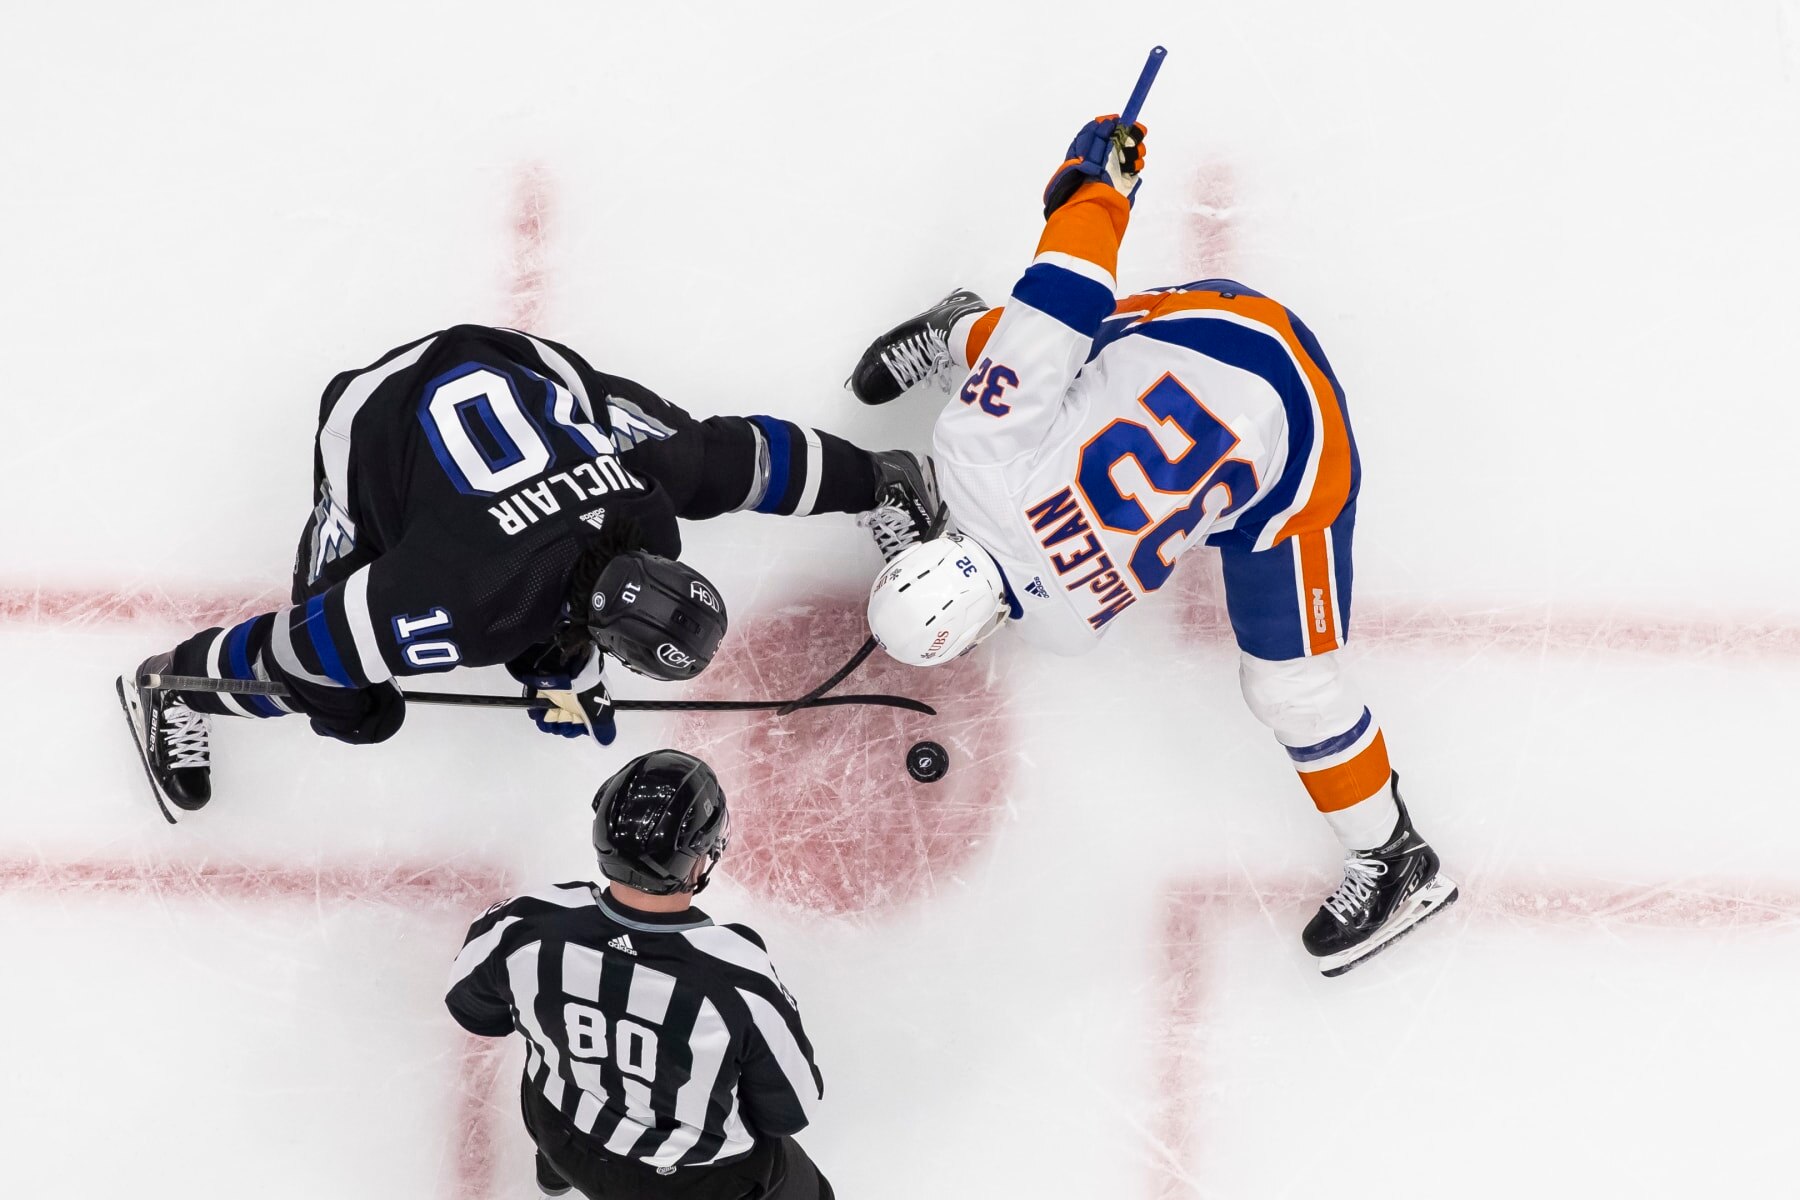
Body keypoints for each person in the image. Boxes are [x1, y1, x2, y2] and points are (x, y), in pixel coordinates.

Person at [847, 116, 1457, 977]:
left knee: (1293, 690)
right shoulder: (969, 449)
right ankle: (960, 331)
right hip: (1233, 331)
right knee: (1041, 356)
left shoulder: (1061, 631)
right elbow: (1063, 294)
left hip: (1291, 451)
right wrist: (1097, 186)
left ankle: (1401, 860)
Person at [115, 323, 935, 819]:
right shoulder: (452, 599)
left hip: (513, 363)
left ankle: (881, 478)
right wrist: (358, 712)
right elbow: (305, 649)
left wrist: (564, 663)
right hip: (373, 422)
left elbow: (728, 468)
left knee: (695, 457)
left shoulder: (645, 506)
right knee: (329, 658)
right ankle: (174, 684)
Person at [447, 749, 832, 1200]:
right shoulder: (738, 977)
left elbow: (473, 1009)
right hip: (688, 1183)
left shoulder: (524, 923)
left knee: (562, 1134)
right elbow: (788, 1111)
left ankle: (555, 1174)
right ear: (699, 860)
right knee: (803, 1186)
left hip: (562, 1131)